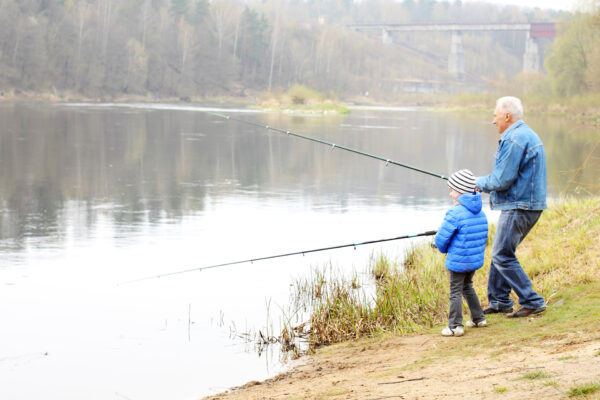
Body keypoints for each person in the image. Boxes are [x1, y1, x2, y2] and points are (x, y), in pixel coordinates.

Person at [475, 96, 547, 318]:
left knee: (502, 254)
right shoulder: (524, 134)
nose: (493, 121)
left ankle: (532, 301)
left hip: (520, 205)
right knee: (502, 252)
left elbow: (501, 180)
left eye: (495, 116)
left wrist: (474, 183)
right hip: (525, 204)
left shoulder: (515, 138)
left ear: (507, 116)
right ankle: (499, 300)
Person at [435, 169, 489, 337]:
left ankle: (454, 326)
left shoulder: (454, 213)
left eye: (452, 190)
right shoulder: (480, 212)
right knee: (468, 286)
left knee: (456, 291)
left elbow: (442, 240)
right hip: (473, 260)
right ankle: (479, 318)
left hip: (458, 261)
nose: (451, 194)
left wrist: (439, 247)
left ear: (460, 191)